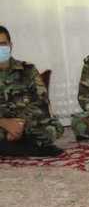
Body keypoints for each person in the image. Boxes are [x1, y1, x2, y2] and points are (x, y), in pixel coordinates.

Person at [0, 25, 64, 157]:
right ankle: (31, 148)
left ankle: (12, 145)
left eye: (3, 44)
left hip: (26, 124)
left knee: (54, 127)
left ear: (10, 45)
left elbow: (42, 101)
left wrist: (20, 124)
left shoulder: (27, 69)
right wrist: (5, 123)